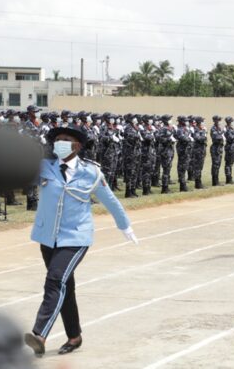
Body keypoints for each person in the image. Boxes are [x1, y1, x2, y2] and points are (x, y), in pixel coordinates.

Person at [24, 125, 139, 358]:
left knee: (55, 280)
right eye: (57, 140)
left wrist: (125, 226)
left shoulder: (92, 173)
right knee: (65, 287)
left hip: (76, 237)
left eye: (65, 140)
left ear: (77, 146)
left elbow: (111, 201)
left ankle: (40, 334)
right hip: (48, 237)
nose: (59, 143)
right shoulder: (45, 167)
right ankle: (74, 336)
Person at [210, 115, 225, 186]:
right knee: (215, 165)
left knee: (218, 165)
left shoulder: (219, 128)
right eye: (218, 120)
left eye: (220, 120)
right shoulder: (213, 129)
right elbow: (216, 137)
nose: (219, 122)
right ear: (215, 121)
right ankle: (215, 182)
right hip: (215, 149)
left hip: (219, 148)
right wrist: (222, 134)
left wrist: (221, 133)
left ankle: (217, 181)